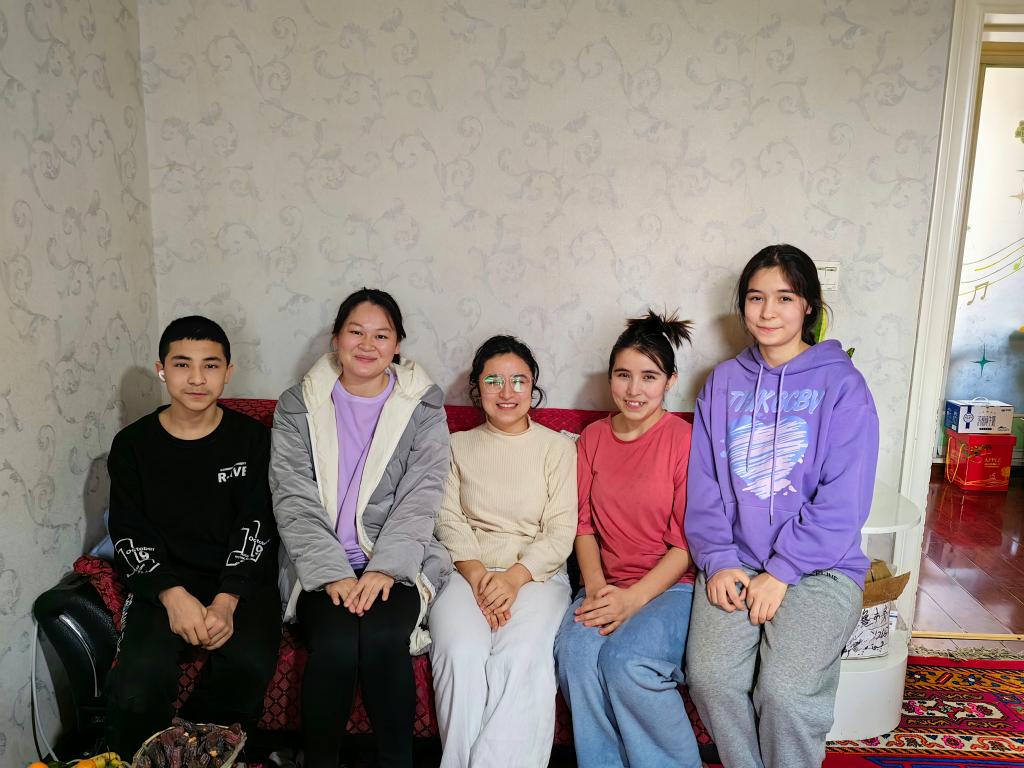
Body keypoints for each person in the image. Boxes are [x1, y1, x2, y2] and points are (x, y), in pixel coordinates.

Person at [684, 244, 879, 768]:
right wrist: (718, 559)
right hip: (735, 562)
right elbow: (703, 485)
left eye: (784, 298)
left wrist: (783, 570)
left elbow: (843, 501)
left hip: (820, 568)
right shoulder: (722, 383)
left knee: (786, 692)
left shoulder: (843, 385)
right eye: (756, 298)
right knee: (711, 678)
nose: (768, 312)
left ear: (809, 305)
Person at [269, 288, 452, 768]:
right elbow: (292, 495)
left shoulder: (423, 407)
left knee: (381, 639)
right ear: (336, 339)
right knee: (334, 644)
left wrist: (385, 569)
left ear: (397, 345)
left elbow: (421, 495)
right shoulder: (298, 405)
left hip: (396, 561)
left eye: (381, 335)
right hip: (320, 564)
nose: (367, 345)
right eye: (356, 332)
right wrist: (332, 572)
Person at [105, 316, 280, 757]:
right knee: (137, 683)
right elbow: (128, 532)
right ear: (162, 370)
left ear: (228, 372)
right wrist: (171, 595)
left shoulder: (252, 439)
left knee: (247, 666)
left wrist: (227, 600)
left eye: (211, 365)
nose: (197, 378)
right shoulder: (132, 445)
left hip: (239, 582)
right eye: (182, 364)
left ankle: (201, 756)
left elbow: (258, 523)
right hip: (164, 581)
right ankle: (143, 761)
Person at [554, 311, 702, 768]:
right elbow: (583, 526)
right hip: (605, 585)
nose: (634, 389)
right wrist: (597, 588)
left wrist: (633, 600)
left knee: (624, 662)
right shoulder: (593, 438)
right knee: (576, 656)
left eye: (648, 377)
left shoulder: (684, 440)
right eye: (623, 375)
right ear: (610, 378)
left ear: (670, 381)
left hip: (670, 589)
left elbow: (684, 546)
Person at [429, 335, 577, 768]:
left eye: (519, 381)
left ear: (533, 387)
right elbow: (447, 520)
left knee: (520, 656)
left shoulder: (558, 449)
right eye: (493, 380)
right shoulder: (455, 446)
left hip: (537, 575)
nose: (507, 392)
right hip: (465, 570)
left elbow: (560, 530)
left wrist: (512, 579)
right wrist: (480, 578)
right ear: (477, 388)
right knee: (460, 653)